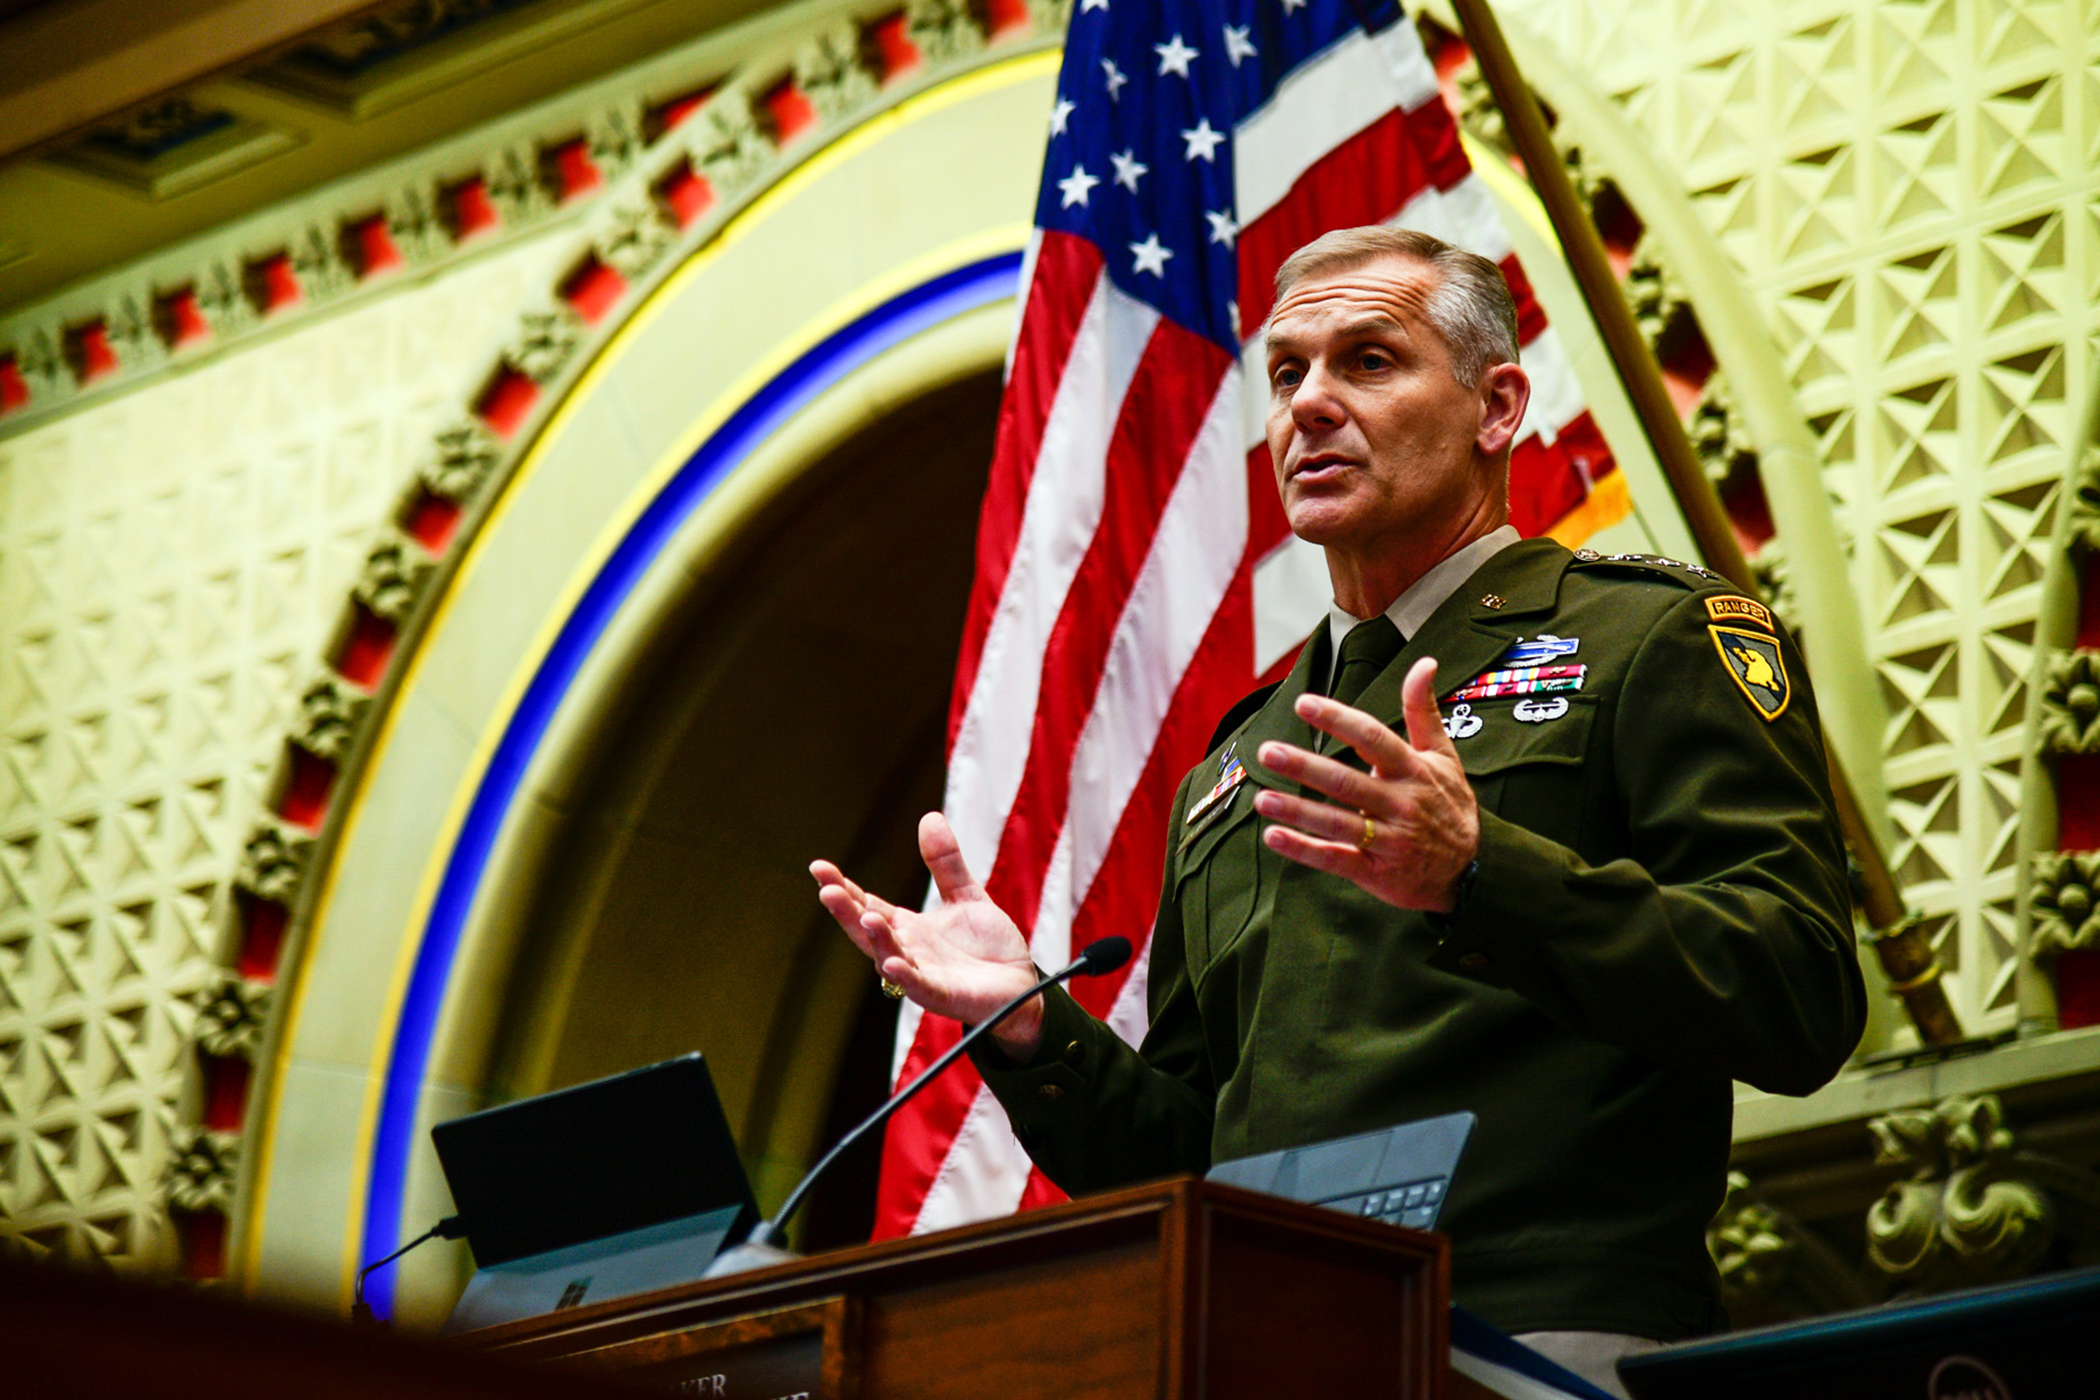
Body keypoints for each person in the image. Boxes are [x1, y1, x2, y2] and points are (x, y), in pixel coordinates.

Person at [811, 227, 1863, 1394]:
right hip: (1267, 1349)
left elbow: (1799, 991)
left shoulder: (1649, 636)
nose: (1310, 404)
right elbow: (1193, 1157)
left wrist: (1480, 870)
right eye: (1287, 372)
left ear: (1497, 406)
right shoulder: (1242, 755)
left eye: (1368, 361)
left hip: (1536, 1338)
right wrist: (1026, 1027)